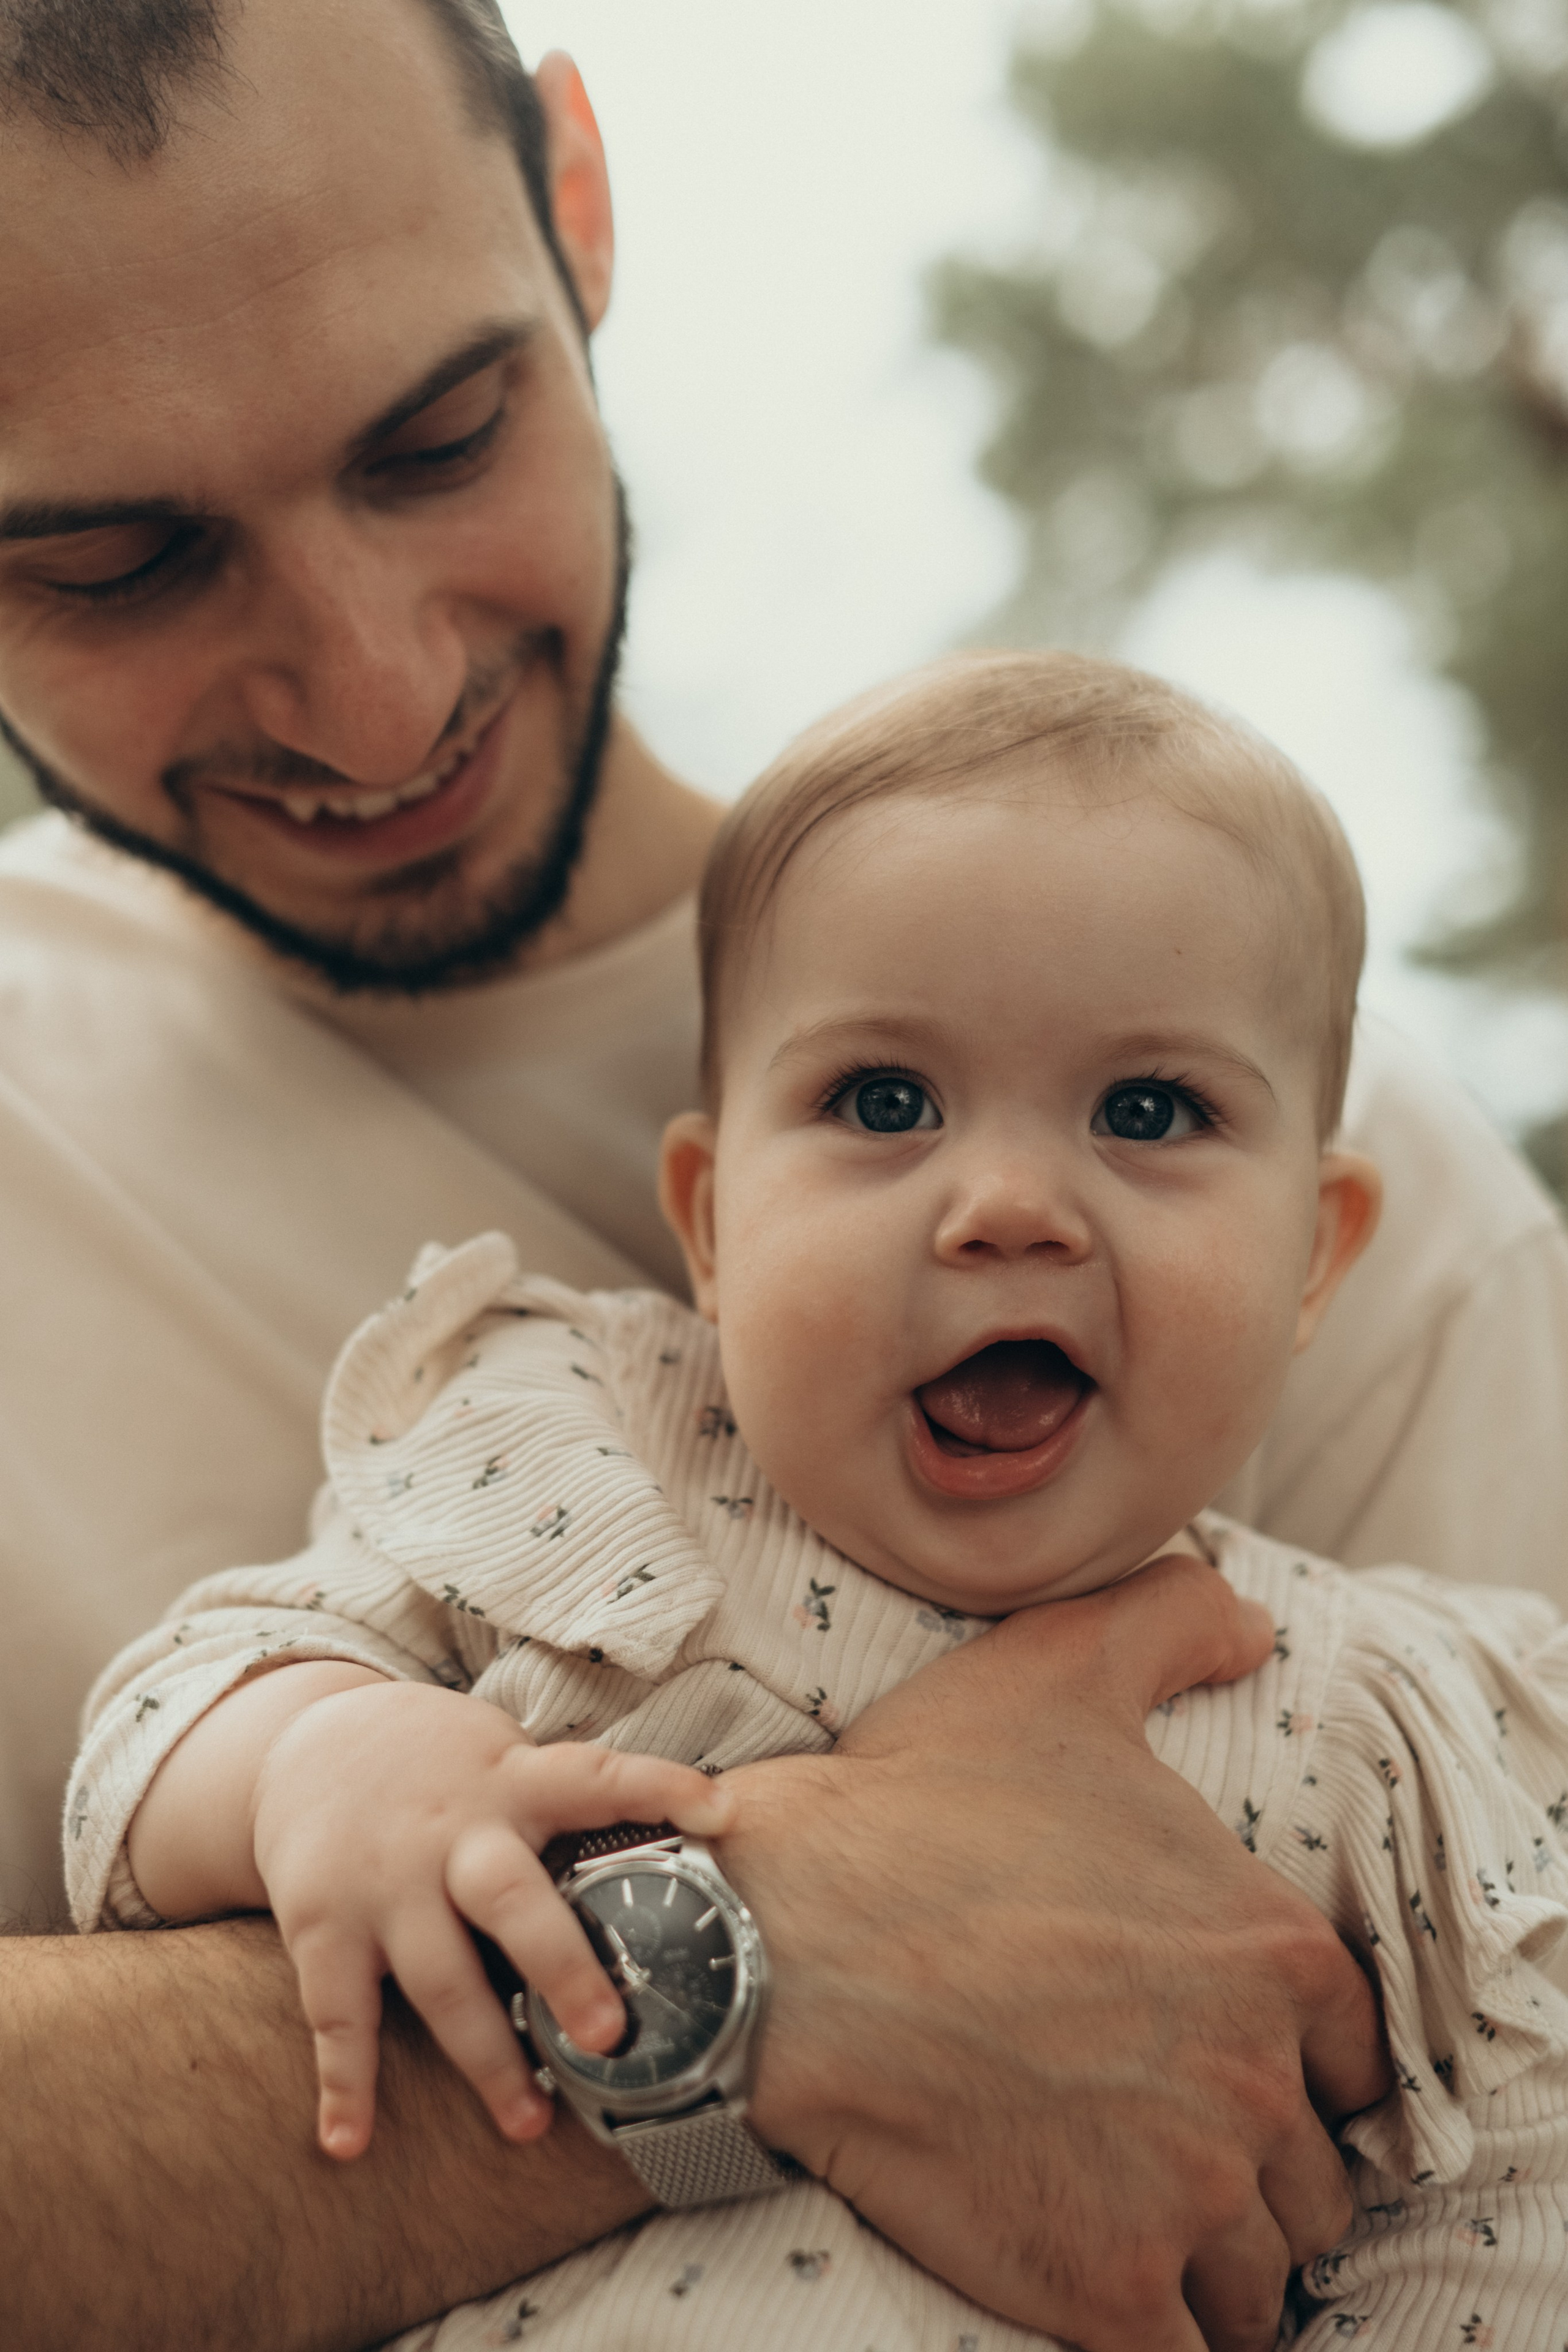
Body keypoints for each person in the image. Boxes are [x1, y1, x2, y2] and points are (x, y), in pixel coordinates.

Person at [0, 2, 1563, 2346]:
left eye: (442, 438)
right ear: (704, 1207)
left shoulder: (1356, 1202)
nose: (367, 682)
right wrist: (752, 1974)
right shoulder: (527, 1435)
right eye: (118, 561)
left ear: (582, 212)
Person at [69, 652, 1568, 2351]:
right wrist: (328, 1755)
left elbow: (1516, 2196)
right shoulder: (575, 1452)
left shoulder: (1400, 1720)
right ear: (711, 1225)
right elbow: (166, 1722)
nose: (1009, 1205)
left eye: (1148, 1111)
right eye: (884, 1102)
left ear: (1318, 1253)